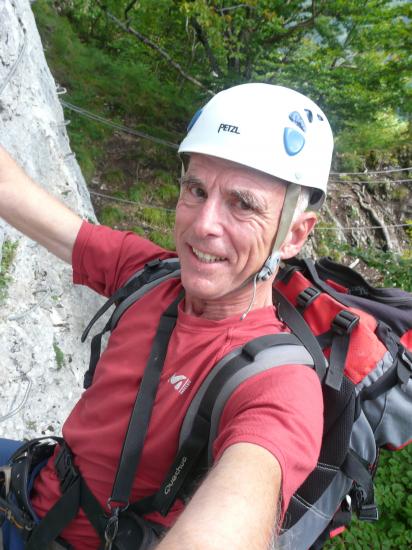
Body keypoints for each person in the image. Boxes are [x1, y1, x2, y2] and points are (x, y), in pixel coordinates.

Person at [0, 83, 333, 550]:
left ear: (294, 234)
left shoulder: (278, 385)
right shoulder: (152, 275)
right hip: (33, 481)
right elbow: (14, 194)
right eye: (196, 189)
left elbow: (235, 509)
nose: (203, 224)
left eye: (242, 204)